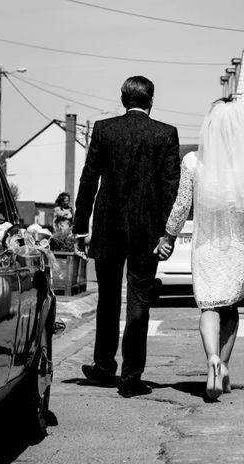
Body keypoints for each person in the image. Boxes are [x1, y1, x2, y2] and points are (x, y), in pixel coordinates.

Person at [154, 99, 244, 400]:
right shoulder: (243, 165)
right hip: (236, 244)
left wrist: (168, 236)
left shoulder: (192, 162)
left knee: (208, 305)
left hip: (205, 243)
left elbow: (182, 206)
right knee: (230, 306)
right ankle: (226, 366)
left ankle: (211, 360)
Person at [72, 76, 180, 398]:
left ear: (123, 100)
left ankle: (104, 367)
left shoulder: (104, 130)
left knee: (107, 300)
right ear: (151, 101)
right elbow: (169, 187)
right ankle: (132, 374)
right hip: (147, 231)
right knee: (139, 301)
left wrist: (80, 225)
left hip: (108, 227)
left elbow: (89, 179)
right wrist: (167, 233)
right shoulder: (165, 134)